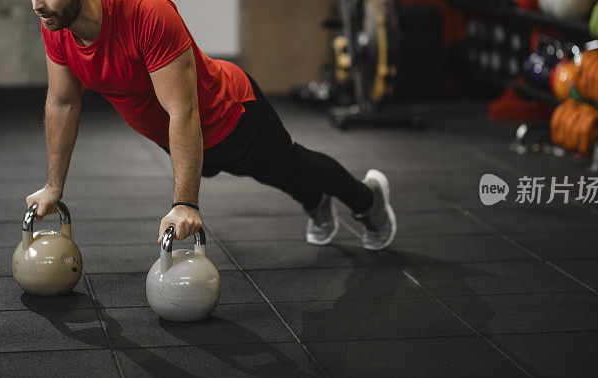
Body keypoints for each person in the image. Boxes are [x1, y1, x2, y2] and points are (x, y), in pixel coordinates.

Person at [25, 0, 397, 250]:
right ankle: (315, 199)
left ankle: (368, 200)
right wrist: (53, 187)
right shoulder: (56, 25)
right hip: (181, 138)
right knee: (281, 175)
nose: (36, 4)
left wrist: (185, 203)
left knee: (287, 168)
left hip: (232, 116)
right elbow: (63, 101)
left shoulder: (147, 13)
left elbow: (184, 112)